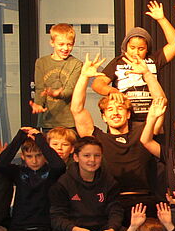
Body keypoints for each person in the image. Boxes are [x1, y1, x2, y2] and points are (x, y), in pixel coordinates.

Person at [71, 54, 165, 209]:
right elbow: (77, 109)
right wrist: (83, 77)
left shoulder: (143, 133)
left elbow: (160, 103)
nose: (115, 113)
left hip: (145, 201)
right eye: (110, 110)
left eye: (120, 108)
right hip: (110, 203)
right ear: (104, 117)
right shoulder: (97, 139)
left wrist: (147, 74)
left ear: (128, 114)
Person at [93, 2, 175, 124]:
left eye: (141, 49)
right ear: (126, 46)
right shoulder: (118, 62)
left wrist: (162, 19)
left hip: (151, 119)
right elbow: (97, 84)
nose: (136, 52)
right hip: (124, 119)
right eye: (132, 48)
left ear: (147, 49)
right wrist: (112, 91)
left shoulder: (153, 60)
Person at [31, 22, 80, 129]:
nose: (65, 48)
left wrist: (57, 93)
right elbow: (40, 88)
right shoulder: (41, 62)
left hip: (68, 122)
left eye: (69, 44)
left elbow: (70, 89)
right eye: (61, 44)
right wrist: (38, 104)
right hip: (47, 121)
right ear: (52, 43)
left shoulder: (76, 64)